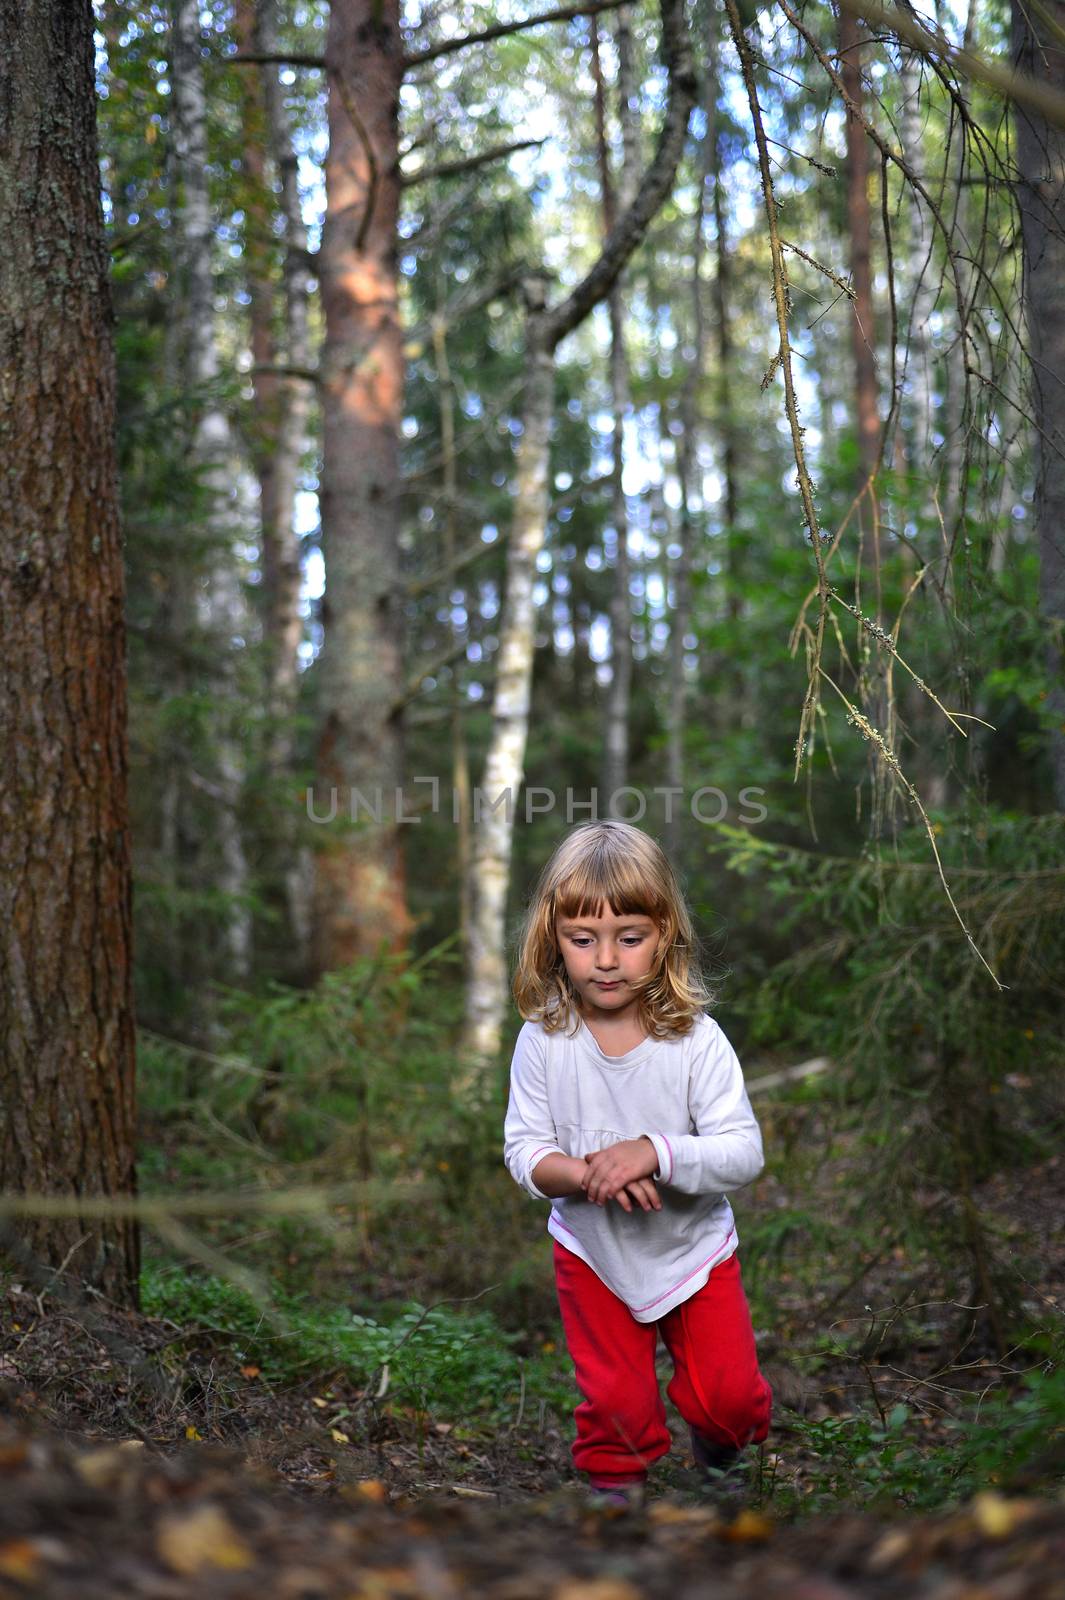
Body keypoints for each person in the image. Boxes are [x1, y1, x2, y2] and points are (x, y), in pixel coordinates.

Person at [503, 818, 772, 1508]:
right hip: (593, 1253)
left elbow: (742, 1151)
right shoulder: (544, 1039)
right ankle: (614, 1497)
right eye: (581, 940)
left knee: (729, 1400)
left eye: (629, 938)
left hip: (692, 1251)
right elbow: (525, 1149)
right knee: (617, 1404)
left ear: (664, 936)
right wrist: (584, 1174)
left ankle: (719, 1456)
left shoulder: (695, 1042)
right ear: (552, 938)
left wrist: (653, 1152)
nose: (605, 959)